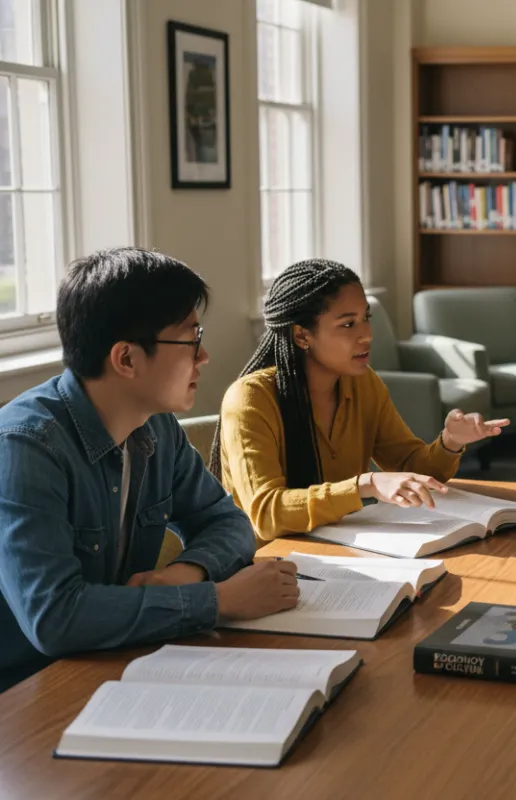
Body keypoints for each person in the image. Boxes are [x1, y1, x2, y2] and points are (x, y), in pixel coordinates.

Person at [0, 248, 298, 693]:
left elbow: (227, 522)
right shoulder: (25, 447)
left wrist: (185, 573)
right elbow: (54, 618)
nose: (205, 356)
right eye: (191, 339)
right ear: (126, 359)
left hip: (117, 666)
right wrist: (216, 601)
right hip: (29, 693)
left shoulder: (154, 425)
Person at [213, 259, 507, 543]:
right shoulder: (250, 399)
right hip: (267, 567)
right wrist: (366, 484)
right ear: (302, 335)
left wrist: (450, 442)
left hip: (344, 549)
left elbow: (412, 469)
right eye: (348, 324)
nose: (366, 335)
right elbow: (266, 514)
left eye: (366, 318)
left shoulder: (363, 384)